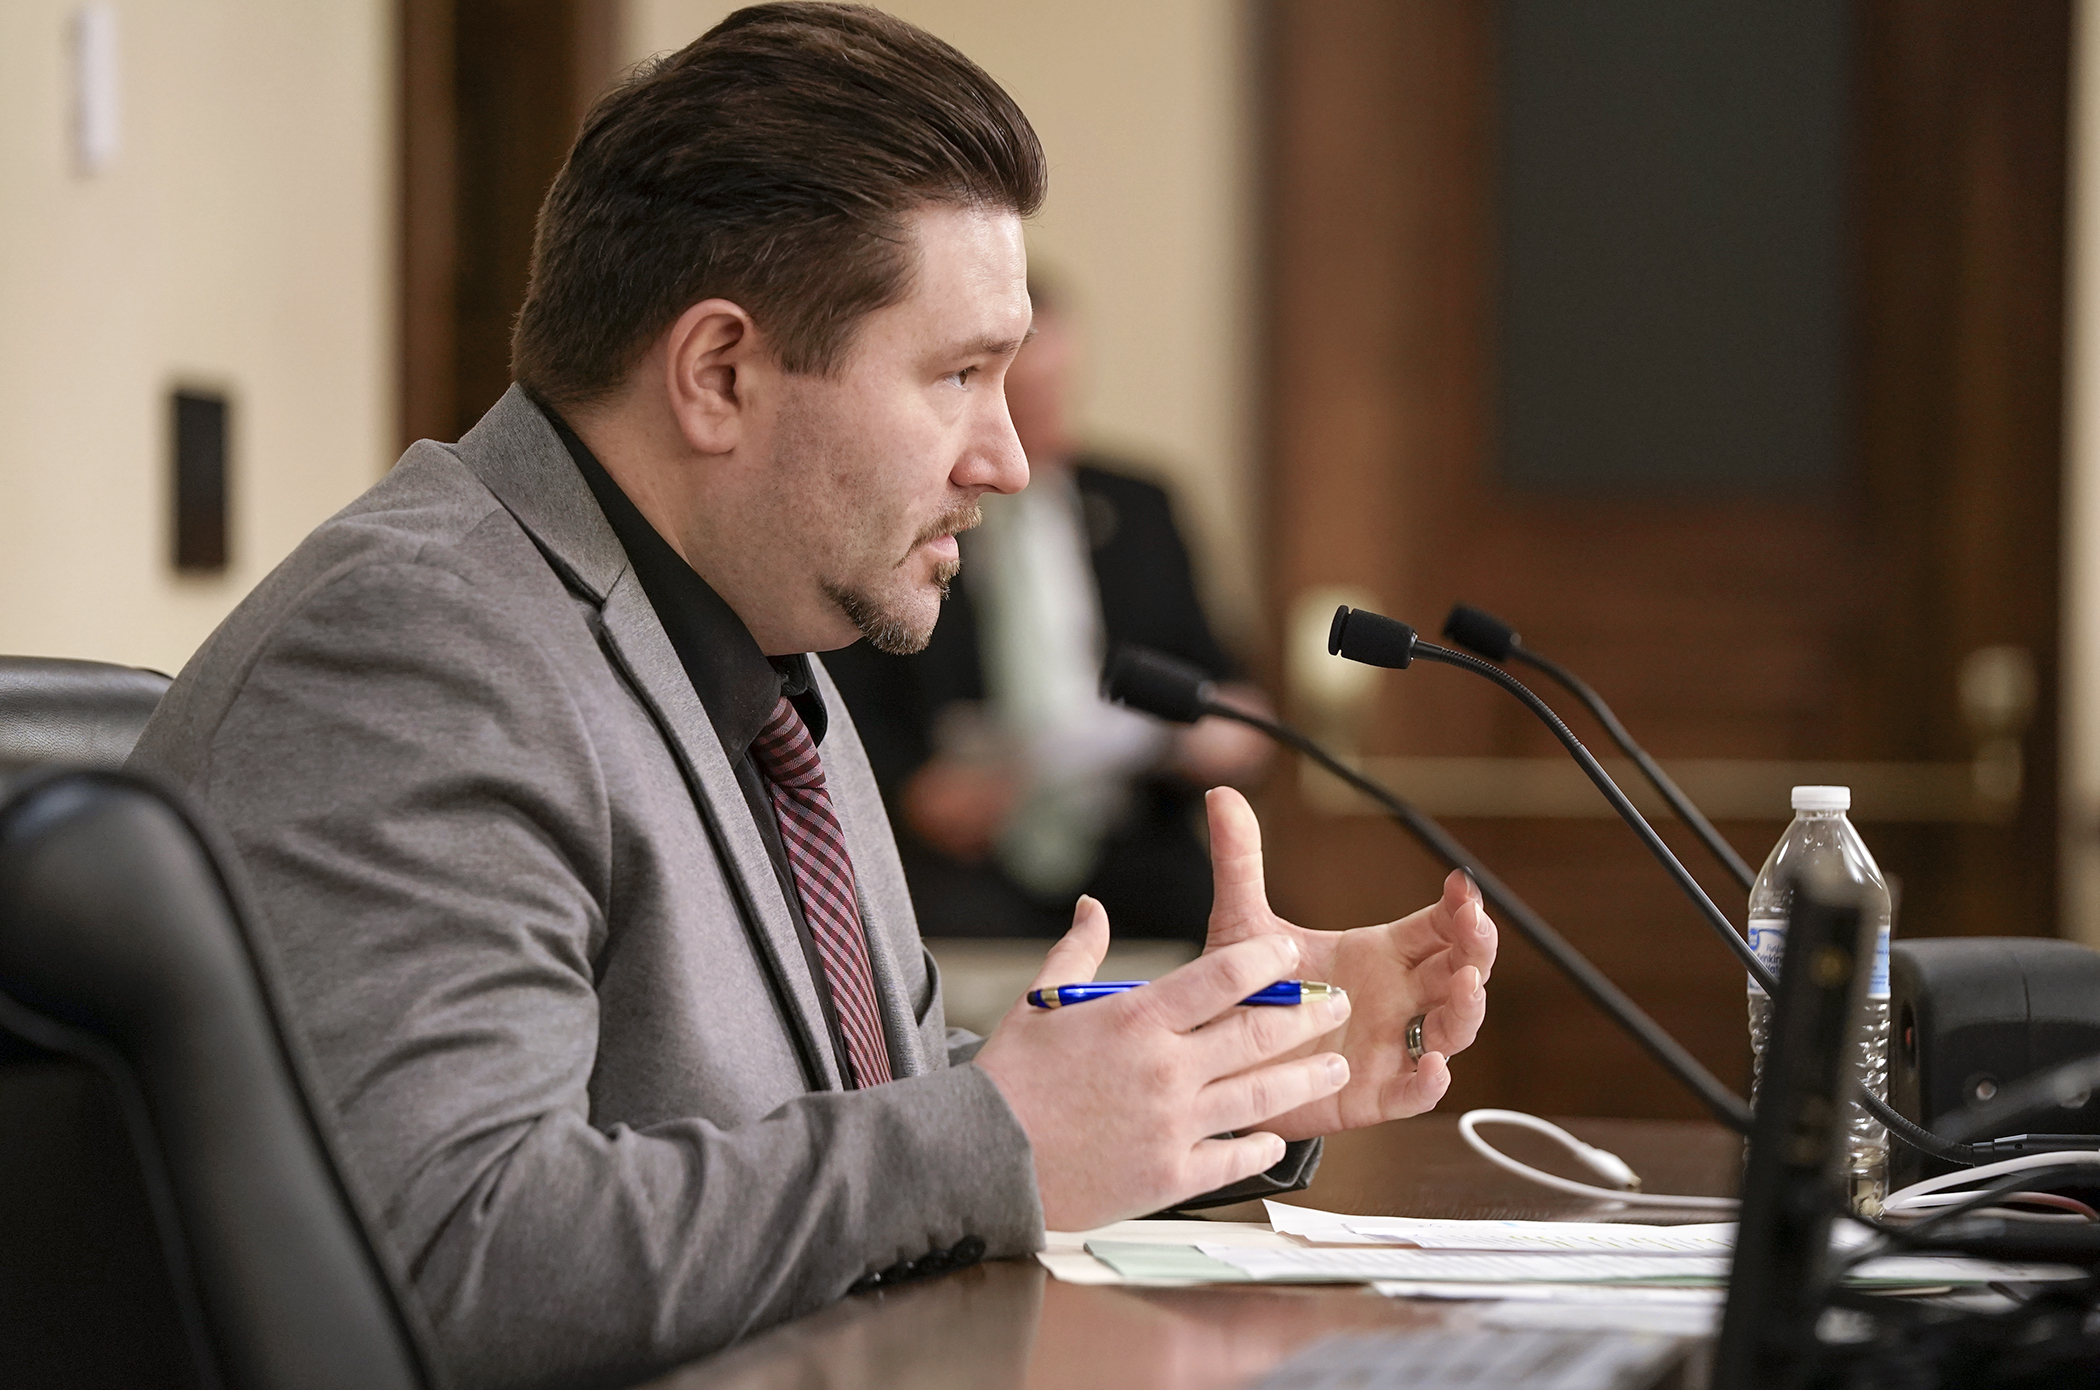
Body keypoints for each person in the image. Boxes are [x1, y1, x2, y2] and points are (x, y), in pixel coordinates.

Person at [128, 6, 1499, 1388]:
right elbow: (455, 1257)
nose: (1011, 459)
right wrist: (997, 1135)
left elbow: (854, 1110)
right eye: (958, 375)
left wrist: (1207, 1079)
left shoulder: (774, 654)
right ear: (719, 374)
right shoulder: (419, 652)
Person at [825, 280, 1273, 945]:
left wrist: (1223, 731)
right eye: (1022, 399)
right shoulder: (907, 509)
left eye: (1058, 392)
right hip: (964, 859)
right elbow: (846, 699)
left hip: (1133, 835)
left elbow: (1227, 686)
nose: (1041, 427)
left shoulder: (1142, 506)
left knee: (1236, 933)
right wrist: (913, 793)